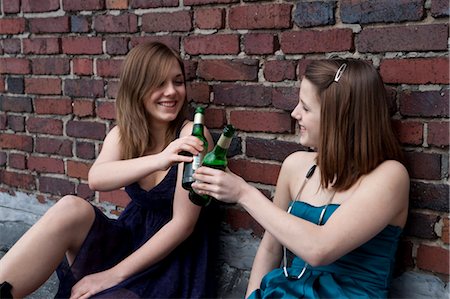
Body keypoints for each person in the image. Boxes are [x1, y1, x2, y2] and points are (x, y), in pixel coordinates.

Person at [0, 41, 216, 299]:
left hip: (170, 258)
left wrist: (111, 275)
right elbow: (97, 179)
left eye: (177, 82)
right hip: (129, 238)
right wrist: (160, 159)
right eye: (158, 83)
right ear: (137, 88)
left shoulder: (194, 135)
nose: (171, 92)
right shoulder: (125, 134)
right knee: (71, 207)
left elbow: (183, 225)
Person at [192, 59, 410, 298]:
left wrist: (244, 193)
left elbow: (319, 249)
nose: (295, 114)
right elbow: (270, 248)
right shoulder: (296, 166)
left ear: (339, 118)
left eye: (306, 108)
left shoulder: (390, 176)